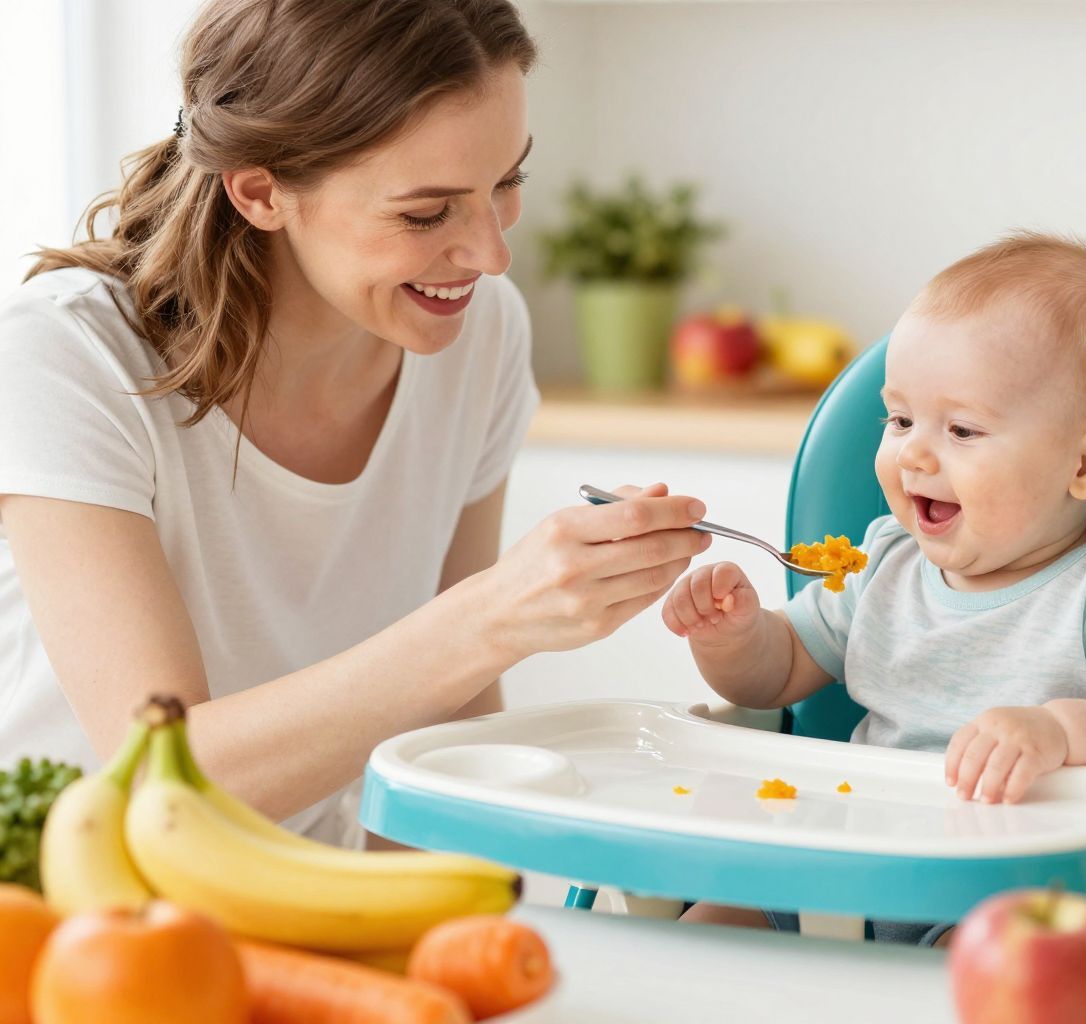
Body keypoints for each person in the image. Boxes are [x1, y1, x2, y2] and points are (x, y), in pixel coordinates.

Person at [0, 0, 710, 845]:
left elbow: (453, 726)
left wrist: (442, 915)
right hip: (61, 910)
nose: (490, 254)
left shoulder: (479, 332)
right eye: (425, 213)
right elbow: (158, 776)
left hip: (301, 899)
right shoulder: (68, 355)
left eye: (507, 182)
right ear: (260, 191)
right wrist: (492, 618)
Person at [662, 232, 1086, 943]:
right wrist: (735, 636)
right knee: (704, 928)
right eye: (898, 419)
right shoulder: (885, 563)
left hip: (1003, 891)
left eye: (962, 429)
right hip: (841, 859)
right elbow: (771, 679)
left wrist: (1057, 730)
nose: (914, 452)